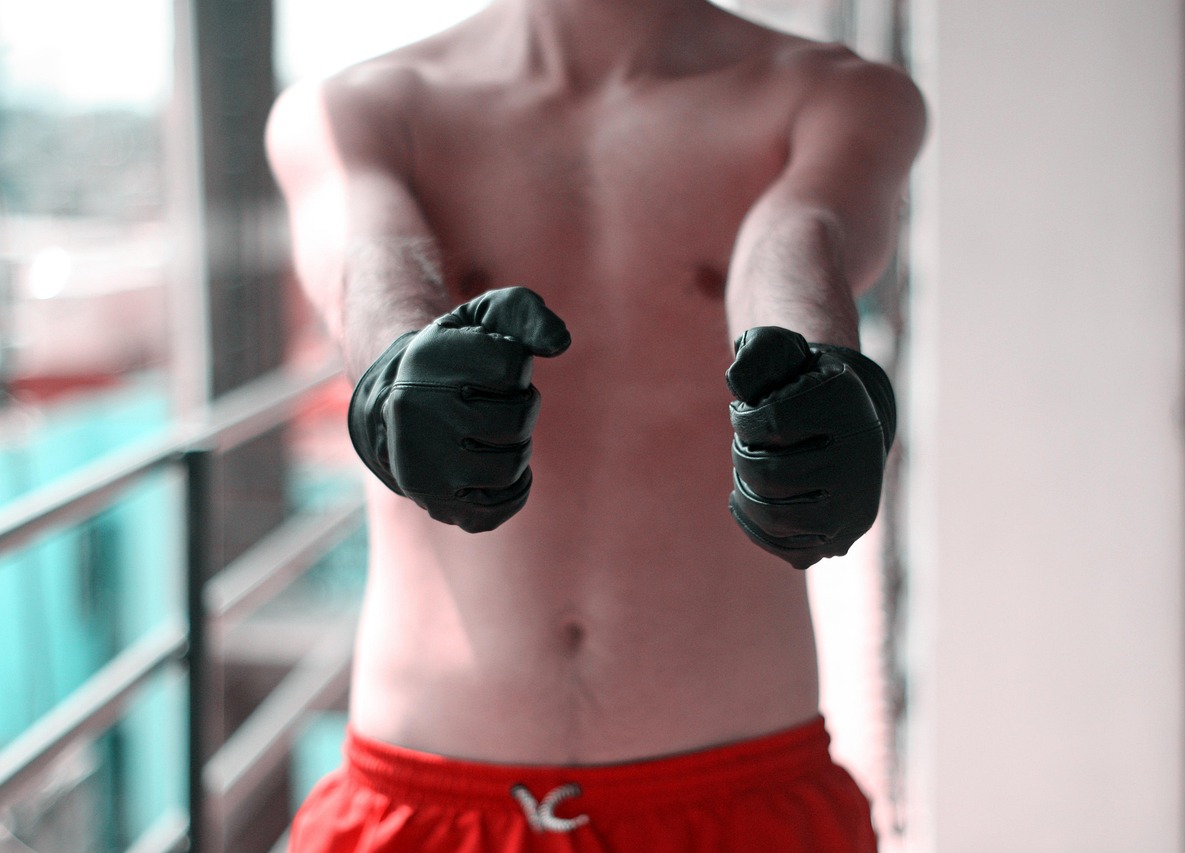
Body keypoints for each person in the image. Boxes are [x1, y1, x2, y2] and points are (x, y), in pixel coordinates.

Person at [266, 0, 924, 848]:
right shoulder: (360, 107)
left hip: (739, 798)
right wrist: (398, 364)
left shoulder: (840, 95)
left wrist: (816, 367)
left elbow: (801, 233)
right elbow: (370, 259)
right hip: (422, 803)